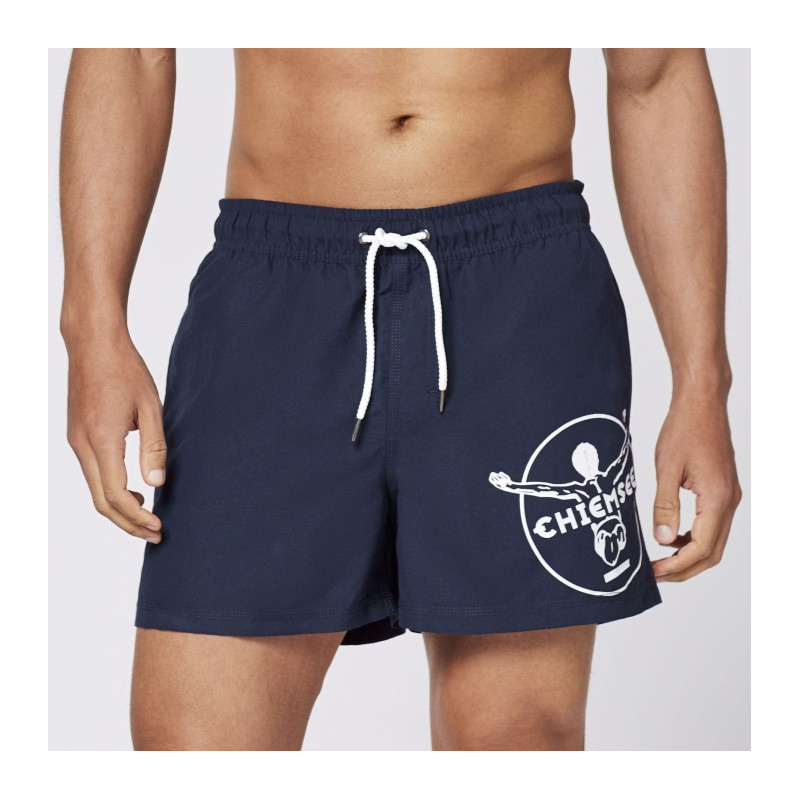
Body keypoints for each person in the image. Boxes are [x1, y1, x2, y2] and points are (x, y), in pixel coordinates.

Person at [59, 48, 742, 751]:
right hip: (275, 296)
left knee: (517, 743)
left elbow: (657, 71)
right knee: (197, 749)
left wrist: (703, 382)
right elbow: (130, 45)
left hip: (520, 293)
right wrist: (92, 328)